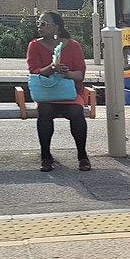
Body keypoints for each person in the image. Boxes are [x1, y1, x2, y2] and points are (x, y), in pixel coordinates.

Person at [27, 11, 91, 172]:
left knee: (76, 111)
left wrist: (66, 73)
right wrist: (51, 68)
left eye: (44, 24)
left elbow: (80, 75)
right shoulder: (34, 45)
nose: (39, 27)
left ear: (56, 28)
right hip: (47, 92)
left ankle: (82, 155)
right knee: (45, 111)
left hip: (71, 92)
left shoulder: (73, 45)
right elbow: (34, 71)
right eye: (38, 23)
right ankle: (46, 156)